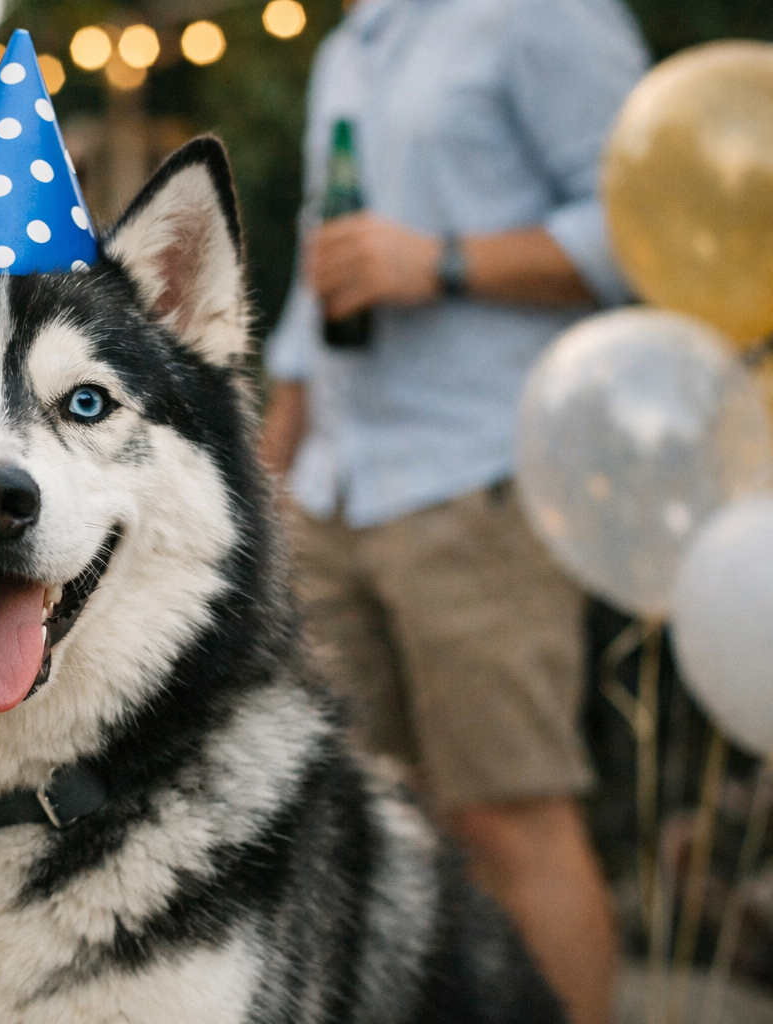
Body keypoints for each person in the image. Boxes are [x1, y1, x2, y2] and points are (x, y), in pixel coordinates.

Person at [259, 1, 648, 1022]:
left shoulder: (544, 15)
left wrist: (442, 260)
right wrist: (264, 487)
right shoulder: (347, 45)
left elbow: (638, 221)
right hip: (337, 491)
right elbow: (320, 277)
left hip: (480, 480)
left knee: (509, 818)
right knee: (345, 825)